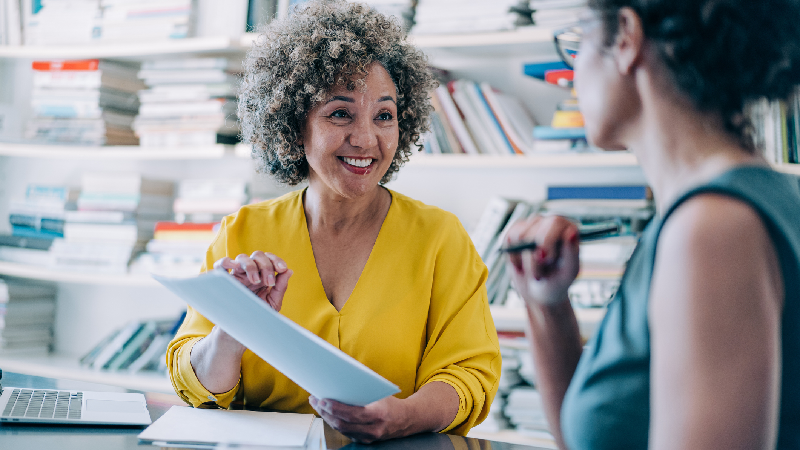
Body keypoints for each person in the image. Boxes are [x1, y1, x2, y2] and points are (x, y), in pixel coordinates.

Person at [166, 0, 500, 443]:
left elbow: (469, 376)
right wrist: (233, 329)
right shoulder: (242, 234)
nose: (366, 139)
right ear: (292, 122)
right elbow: (197, 386)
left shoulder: (440, 238)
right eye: (340, 113)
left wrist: (403, 416)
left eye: (384, 115)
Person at [505, 1, 800, 449]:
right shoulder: (732, 206)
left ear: (625, 36)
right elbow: (594, 438)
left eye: (580, 39)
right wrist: (548, 305)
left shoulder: (712, 229)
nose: (572, 72)